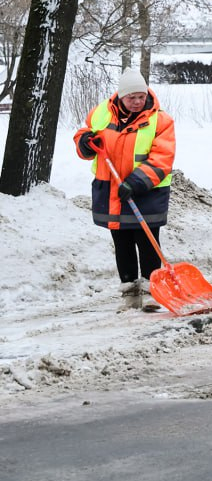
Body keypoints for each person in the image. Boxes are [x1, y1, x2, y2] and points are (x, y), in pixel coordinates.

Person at [73, 67, 176, 310]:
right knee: (122, 242)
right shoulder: (101, 113)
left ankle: (152, 293)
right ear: (121, 96)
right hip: (111, 190)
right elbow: (83, 134)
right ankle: (129, 294)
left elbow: (163, 158)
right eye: (132, 97)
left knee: (147, 242)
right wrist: (85, 142)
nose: (137, 102)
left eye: (141, 96)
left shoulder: (161, 120)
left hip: (146, 191)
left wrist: (136, 182)